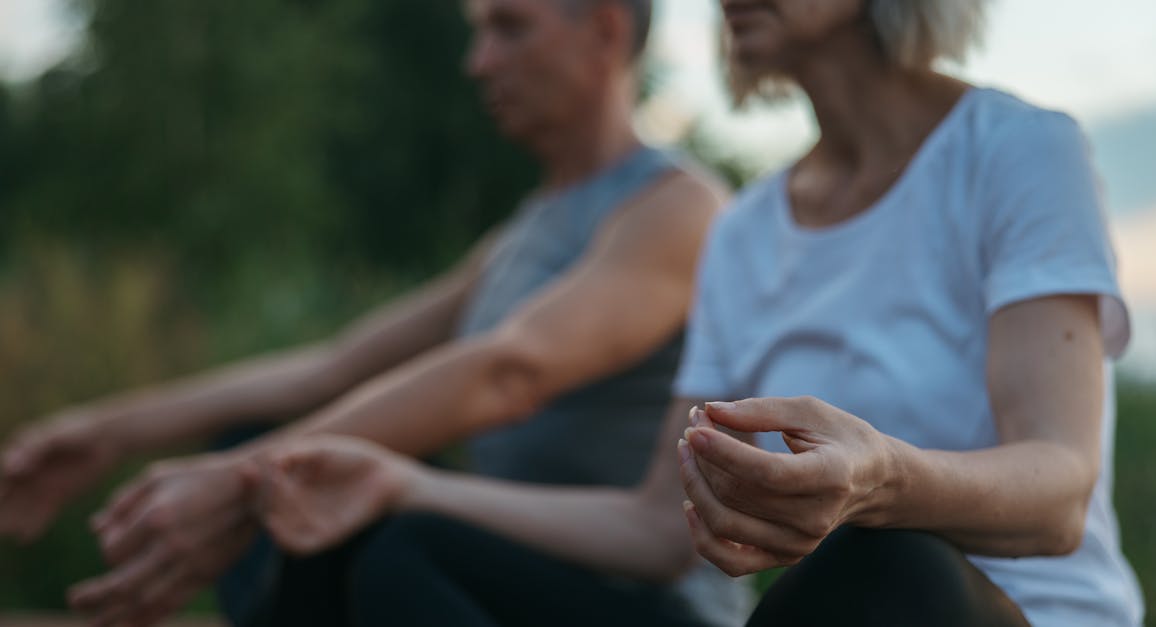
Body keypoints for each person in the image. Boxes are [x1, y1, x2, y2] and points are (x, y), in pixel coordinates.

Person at [243, 1, 1145, 626]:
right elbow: (652, 524)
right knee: (405, 550)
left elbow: (1061, 490)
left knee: (887, 561)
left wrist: (878, 481)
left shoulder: (1019, 150)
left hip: (996, 610)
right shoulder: (748, 228)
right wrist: (404, 481)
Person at [0, 0, 742, 625]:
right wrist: (104, 432)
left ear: (606, 33)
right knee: (269, 449)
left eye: (509, 28)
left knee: (384, 529)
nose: (477, 62)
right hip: (499, 578)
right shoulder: (523, 235)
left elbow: (512, 369)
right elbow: (334, 366)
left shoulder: (678, 210)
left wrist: (235, 481)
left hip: (637, 598)